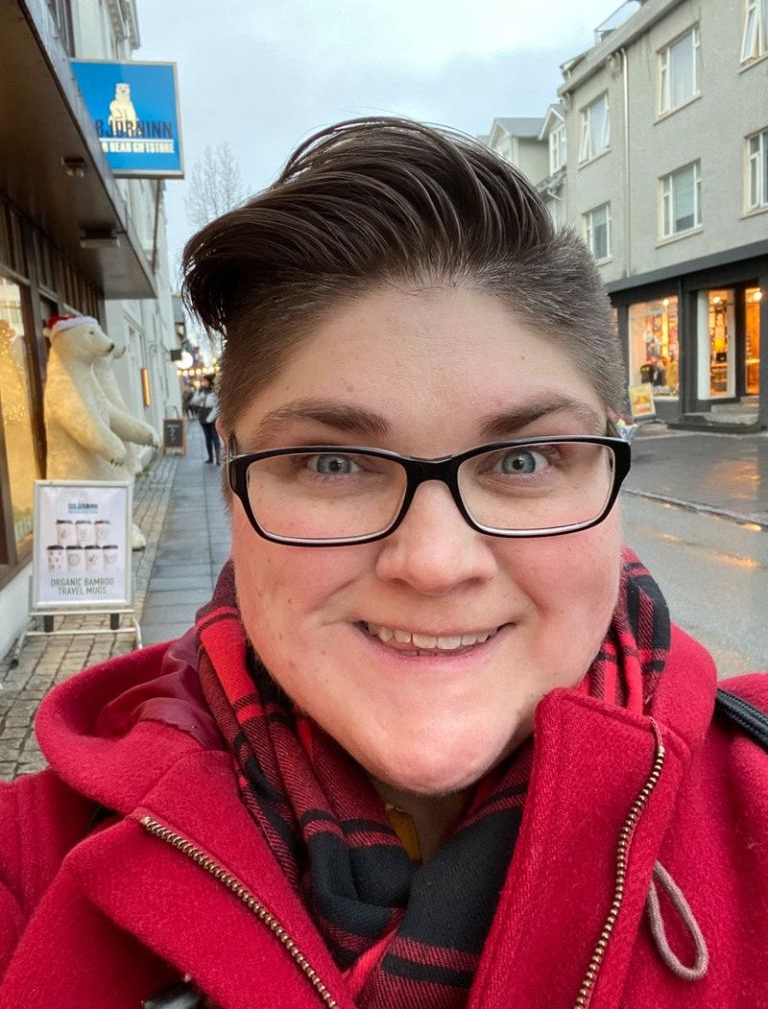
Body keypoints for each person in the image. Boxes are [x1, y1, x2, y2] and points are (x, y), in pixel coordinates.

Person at [0, 118, 766, 1009]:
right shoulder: (32, 874)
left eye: (521, 461)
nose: (436, 564)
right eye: (333, 463)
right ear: (232, 488)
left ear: (610, 467)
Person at [192, 373, 221, 464]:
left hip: (212, 418)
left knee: (215, 438)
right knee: (207, 438)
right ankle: (210, 458)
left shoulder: (215, 392)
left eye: (205, 380)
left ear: (209, 381)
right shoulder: (201, 391)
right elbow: (194, 402)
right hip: (203, 417)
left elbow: (217, 406)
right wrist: (201, 396)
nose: (203, 382)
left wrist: (210, 418)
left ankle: (218, 459)